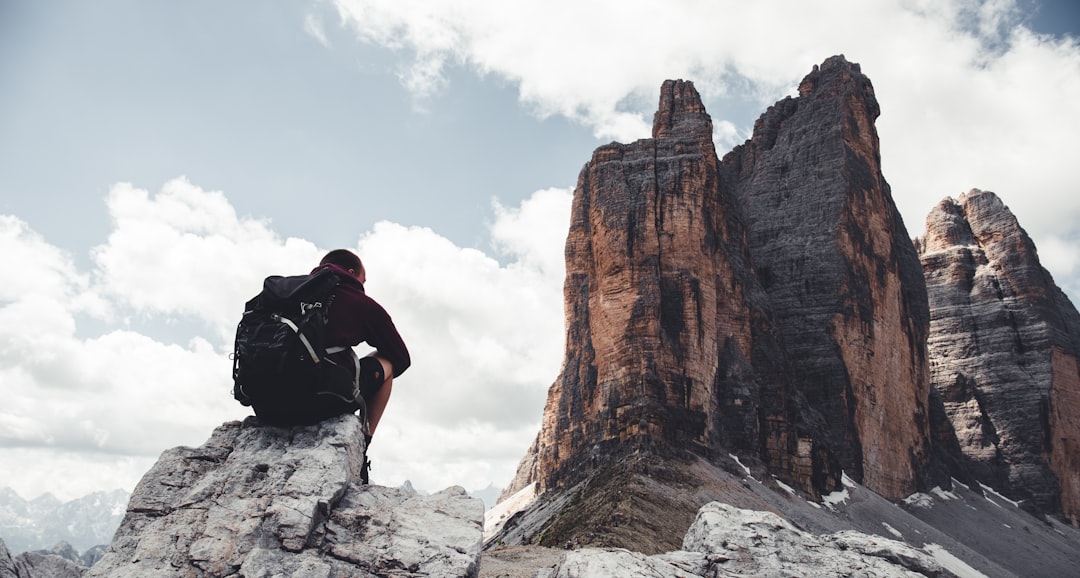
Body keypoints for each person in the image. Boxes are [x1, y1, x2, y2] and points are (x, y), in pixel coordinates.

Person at [314, 249, 411, 438]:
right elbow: (401, 358)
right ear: (351, 273)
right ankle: (363, 440)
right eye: (363, 281)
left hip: (268, 402)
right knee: (387, 363)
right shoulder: (358, 301)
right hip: (317, 402)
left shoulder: (287, 294)